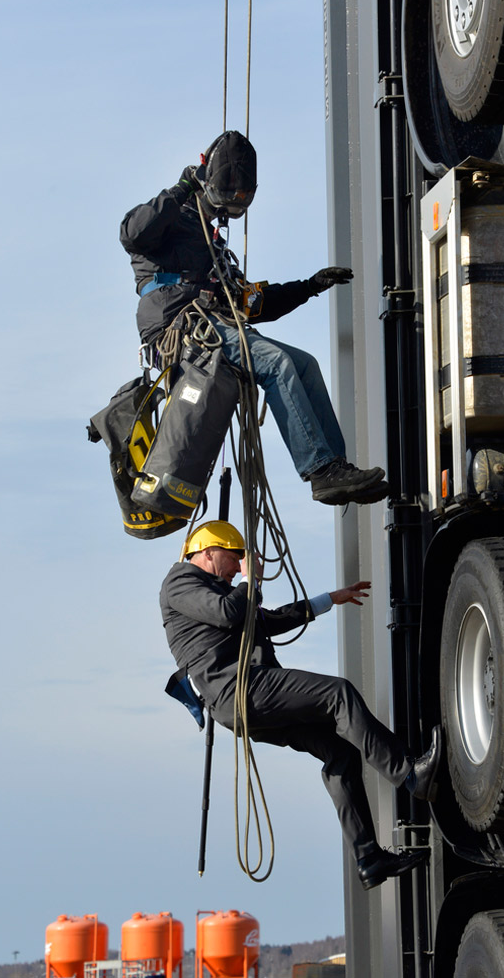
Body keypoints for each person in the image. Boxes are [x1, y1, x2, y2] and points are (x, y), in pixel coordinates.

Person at [160, 520, 442, 890]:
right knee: (337, 694)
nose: (237, 568)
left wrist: (329, 600)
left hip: (246, 698)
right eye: (234, 559)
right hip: (241, 690)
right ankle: (409, 774)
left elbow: (265, 621)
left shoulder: (218, 591)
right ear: (209, 552)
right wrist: (251, 580)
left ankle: (369, 858)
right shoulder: (179, 581)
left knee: (339, 753)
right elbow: (231, 612)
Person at [120, 129, 389, 506]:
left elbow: (249, 304)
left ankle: (335, 467)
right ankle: (319, 469)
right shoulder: (171, 219)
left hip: (214, 324)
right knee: (276, 364)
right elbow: (133, 234)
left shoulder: (209, 245)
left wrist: (308, 286)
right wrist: (183, 186)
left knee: (304, 364)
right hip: (180, 327)